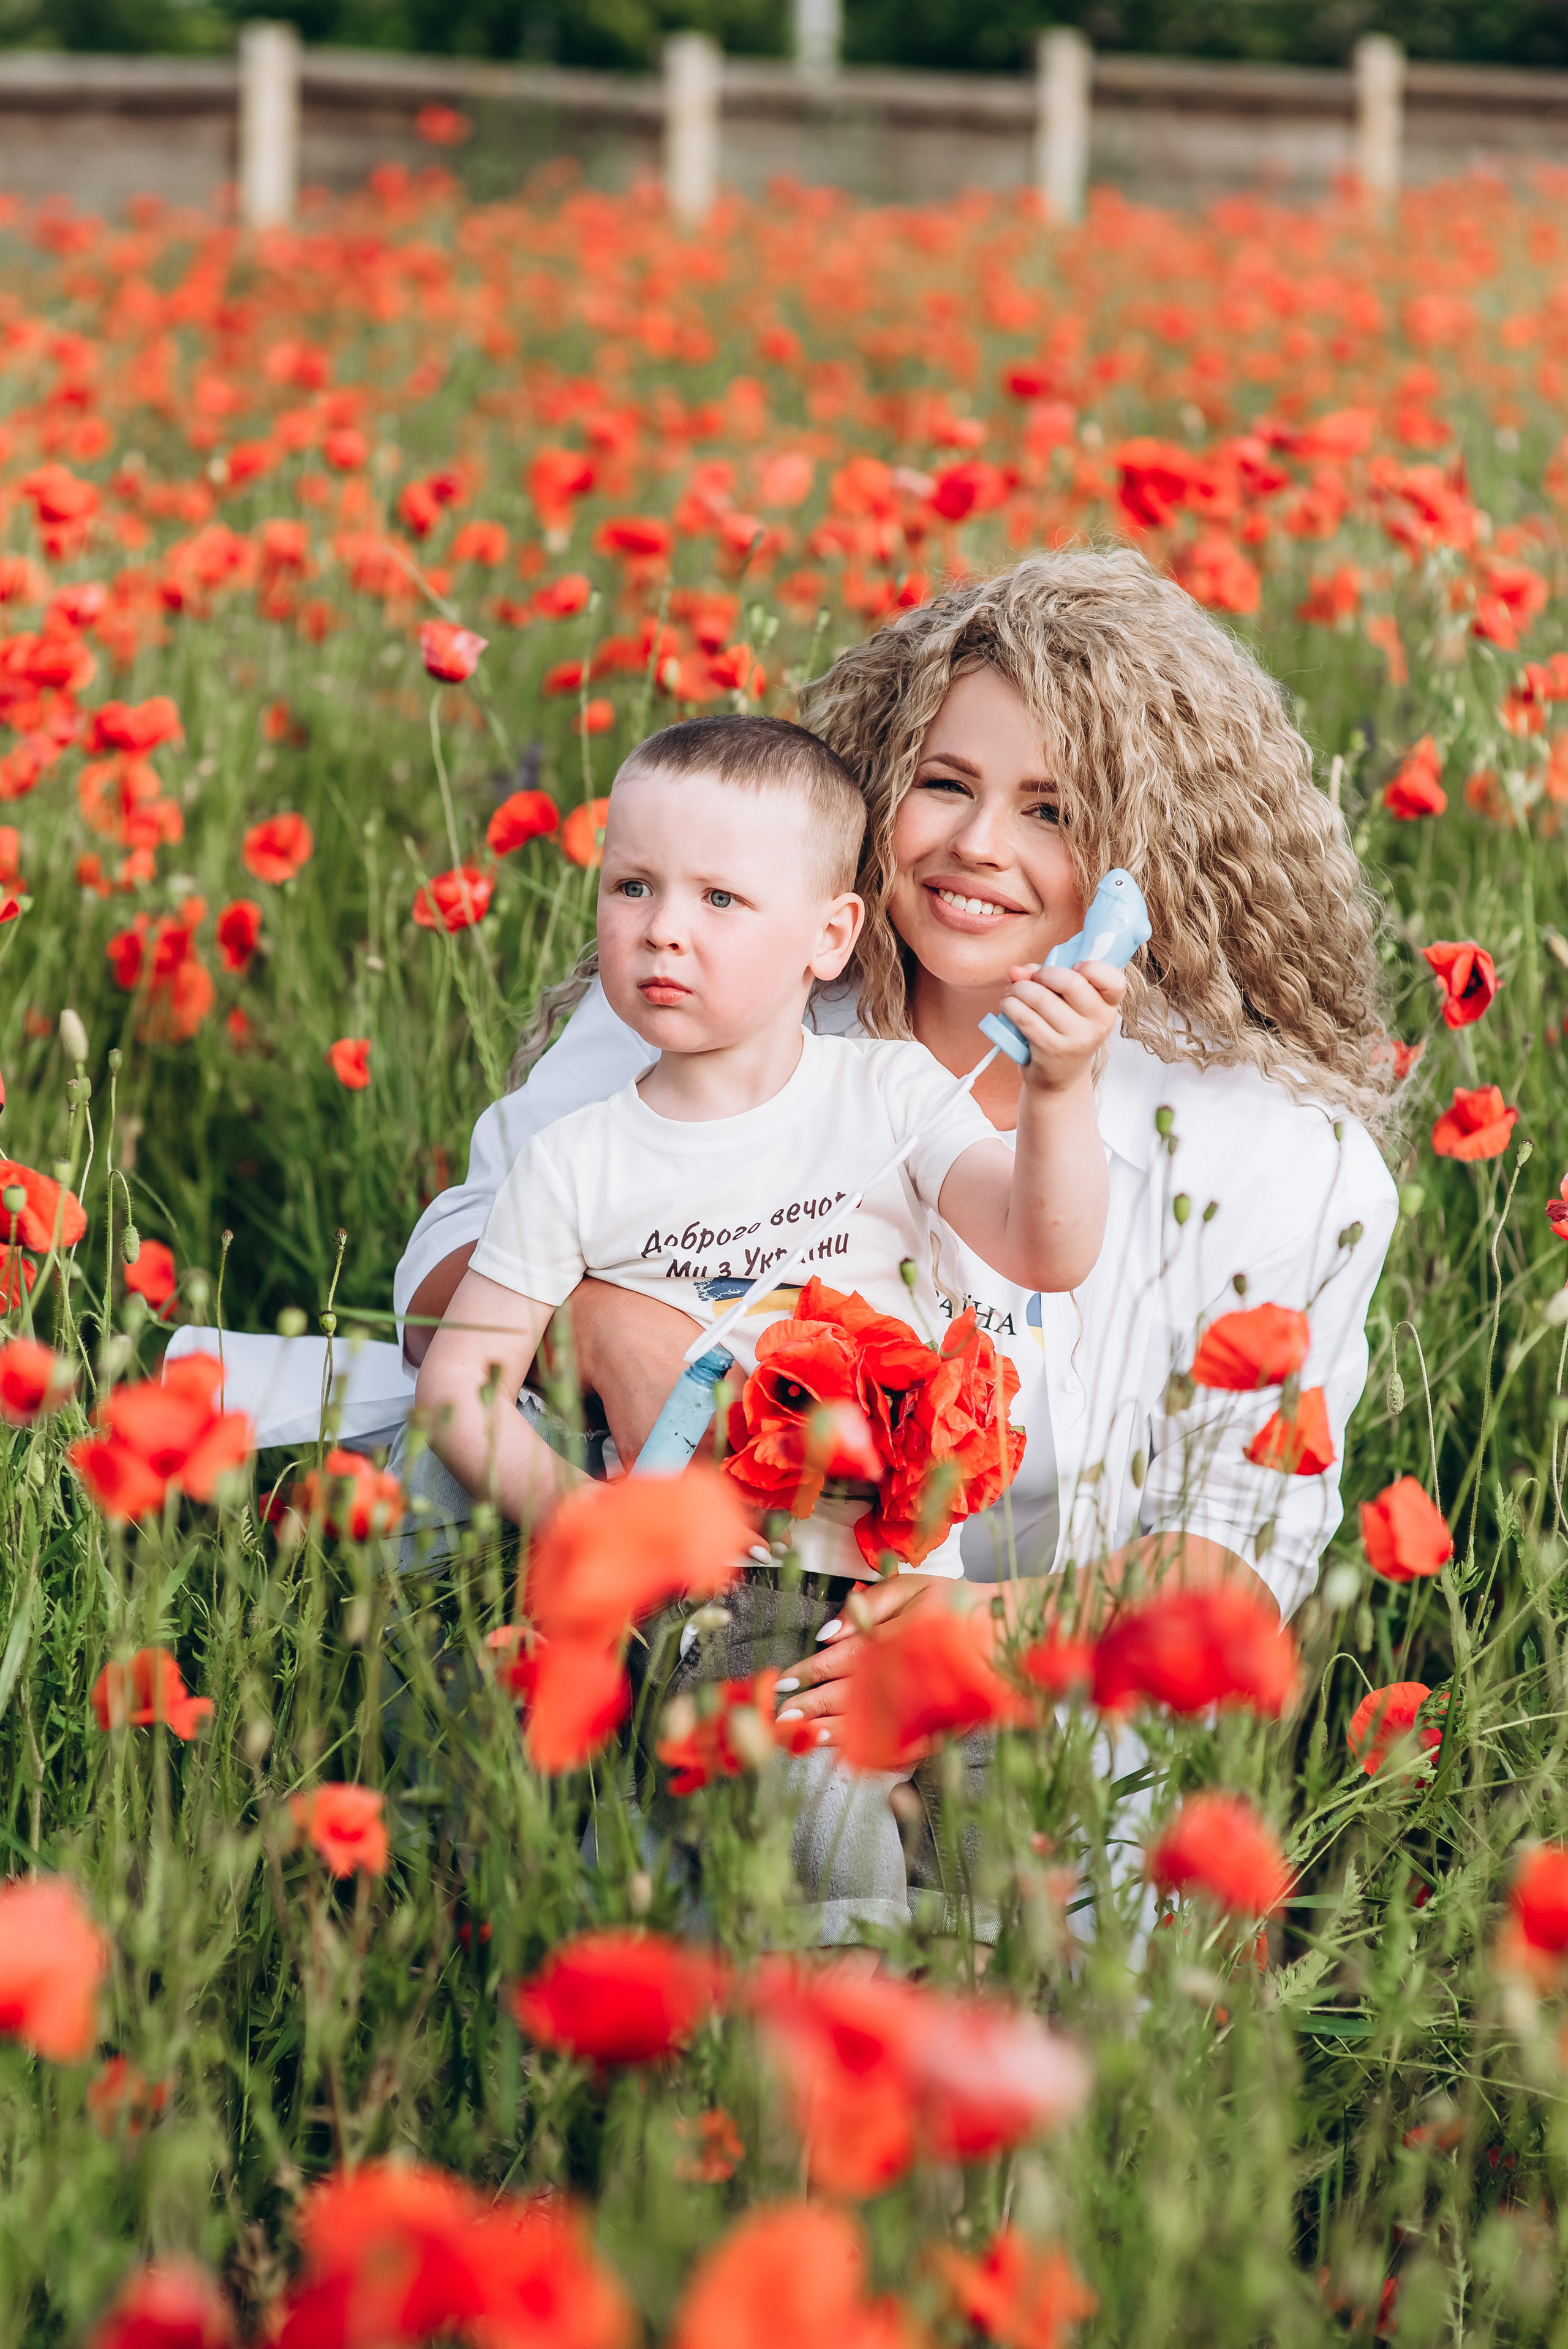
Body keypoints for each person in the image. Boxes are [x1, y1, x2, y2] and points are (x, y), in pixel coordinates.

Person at [395, 544, 1396, 1804]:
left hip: (1048, 1744)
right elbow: (442, 1277)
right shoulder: (718, 979)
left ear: (1154, 852)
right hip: (698, 1666)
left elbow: (1240, 1551)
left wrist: (976, 1629)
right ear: (879, 785)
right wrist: (620, 1329)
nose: (979, 846)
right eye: (944, 783)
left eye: (1051, 808)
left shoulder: (1274, 1155)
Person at [414, 709, 1122, 1543]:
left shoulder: (890, 1092)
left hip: (876, 1596)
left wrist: (1060, 1086)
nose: (662, 929)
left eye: (720, 897)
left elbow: (1046, 1250)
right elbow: (458, 1386)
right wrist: (580, 1515)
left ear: (830, 937)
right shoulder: (571, 1163)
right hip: (679, 1578)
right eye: (632, 885)